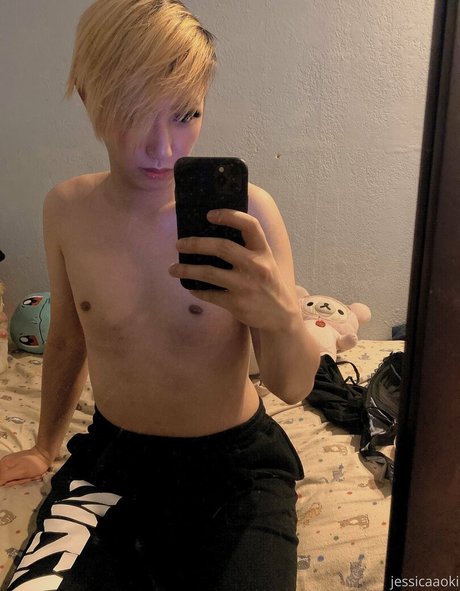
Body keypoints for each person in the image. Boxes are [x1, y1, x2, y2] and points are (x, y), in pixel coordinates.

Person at [0, 1, 320, 589]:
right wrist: (45, 448)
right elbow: (67, 338)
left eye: (184, 114)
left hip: (235, 471)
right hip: (112, 462)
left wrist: (282, 317)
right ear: (89, 99)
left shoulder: (250, 211)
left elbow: (293, 386)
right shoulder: (66, 210)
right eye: (135, 115)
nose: (164, 148)